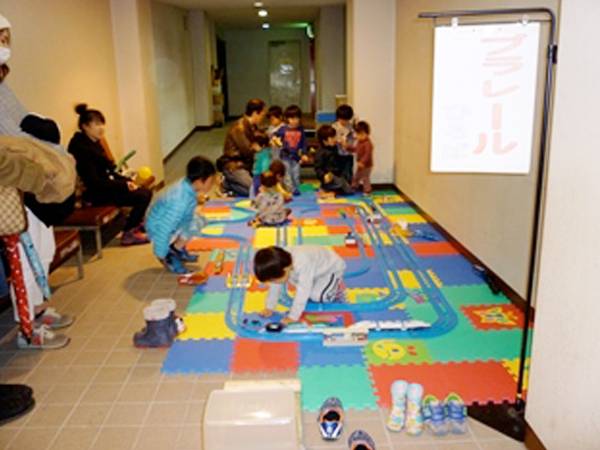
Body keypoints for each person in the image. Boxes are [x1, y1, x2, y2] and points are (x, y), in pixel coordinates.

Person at [67, 103, 152, 245]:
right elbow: (94, 182)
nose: (101, 128)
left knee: (143, 191)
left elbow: (109, 169)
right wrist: (123, 185)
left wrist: (127, 181)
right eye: (96, 124)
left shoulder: (94, 142)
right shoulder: (81, 149)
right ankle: (128, 233)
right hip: (95, 193)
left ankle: (134, 225)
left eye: (102, 124)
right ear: (85, 126)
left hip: (105, 186)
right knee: (142, 196)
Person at [146, 156, 216, 274]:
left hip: (167, 220)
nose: (212, 184)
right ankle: (170, 255)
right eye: (211, 181)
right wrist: (161, 254)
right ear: (199, 181)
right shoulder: (179, 201)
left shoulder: (188, 186)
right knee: (193, 225)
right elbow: (165, 227)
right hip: (157, 226)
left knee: (199, 221)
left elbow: (187, 215)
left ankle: (177, 248)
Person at [254, 245, 346, 324]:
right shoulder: (281, 261)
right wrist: (269, 307)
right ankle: (315, 284)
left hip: (330, 269)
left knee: (318, 297)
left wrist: (293, 316)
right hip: (313, 271)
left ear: (285, 269)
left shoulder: (302, 262)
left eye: (273, 280)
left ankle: (335, 289)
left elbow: (303, 290)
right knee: (297, 286)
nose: (272, 283)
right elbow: (275, 286)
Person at [220, 98, 266, 196]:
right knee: (255, 191)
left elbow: (260, 137)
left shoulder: (252, 125)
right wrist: (259, 150)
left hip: (246, 165)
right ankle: (227, 182)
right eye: (262, 115)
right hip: (234, 166)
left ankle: (229, 183)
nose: (263, 118)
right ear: (255, 113)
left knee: (264, 187)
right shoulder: (239, 128)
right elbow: (248, 151)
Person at [275, 105, 307, 195]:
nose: (295, 121)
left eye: (297, 118)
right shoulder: (283, 129)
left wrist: (304, 153)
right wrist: (276, 140)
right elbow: (275, 135)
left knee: (296, 173)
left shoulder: (300, 130)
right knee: (287, 173)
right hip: (285, 156)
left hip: (296, 156)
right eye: (292, 118)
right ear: (287, 119)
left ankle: (296, 188)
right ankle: (290, 189)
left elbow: (304, 143)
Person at [314, 125, 353, 196]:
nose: (335, 139)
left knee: (348, 188)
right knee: (342, 184)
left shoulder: (335, 147)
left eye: (335, 136)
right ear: (324, 141)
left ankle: (330, 191)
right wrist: (323, 176)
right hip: (329, 178)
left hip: (337, 176)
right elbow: (318, 168)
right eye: (332, 138)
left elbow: (340, 160)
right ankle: (327, 190)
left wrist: (344, 147)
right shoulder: (320, 152)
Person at [332, 104, 356, 183]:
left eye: (346, 120)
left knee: (348, 172)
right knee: (338, 172)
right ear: (338, 117)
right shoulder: (334, 126)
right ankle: (338, 186)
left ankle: (347, 186)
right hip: (337, 154)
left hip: (348, 154)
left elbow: (355, 137)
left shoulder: (351, 127)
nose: (344, 122)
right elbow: (331, 139)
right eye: (342, 119)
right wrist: (339, 141)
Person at [351, 121, 374, 194]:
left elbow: (367, 154)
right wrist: (347, 147)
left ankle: (367, 190)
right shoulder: (359, 142)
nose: (360, 136)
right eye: (358, 134)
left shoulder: (368, 144)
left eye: (362, 134)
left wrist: (362, 162)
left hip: (367, 165)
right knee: (356, 176)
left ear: (367, 133)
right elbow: (355, 149)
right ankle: (354, 186)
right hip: (360, 165)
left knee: (365, 178)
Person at [250, 133, 272, 199]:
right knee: (253, 190)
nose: (254, 147)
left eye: (255, 145)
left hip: (260, 176)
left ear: (263, 146)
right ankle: (253, 199)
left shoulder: (264, 154)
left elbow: (265, 164)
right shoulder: (258, 153)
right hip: (256, 175)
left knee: (260, 190)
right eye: (253, 145)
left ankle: (257, 200)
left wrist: (264, 172)